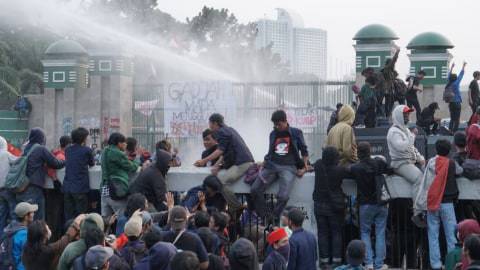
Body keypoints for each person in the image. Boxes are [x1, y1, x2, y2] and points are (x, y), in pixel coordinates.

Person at [251, 110, 309, 220]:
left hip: (289, 167)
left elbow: (304, 151)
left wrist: (304, 168)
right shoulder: (273, 134)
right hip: (272, 166)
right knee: (255, 189)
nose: (277, 127)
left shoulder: (296, 132)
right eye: (275, 125)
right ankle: (265, 215)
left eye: (279, 124)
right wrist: (264, 163)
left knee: (283, 196)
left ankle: (274, 216)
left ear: (286, 121)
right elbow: (270, 151)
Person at [414, 139, 463, 270]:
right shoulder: (451, 163)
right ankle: (452, 265)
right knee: (451, 235)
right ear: (449, 151)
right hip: (447, 203)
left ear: (436, 149)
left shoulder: (431, 162)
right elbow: (460, 171)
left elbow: (423, 170)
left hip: (432, 202)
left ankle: (435, 265)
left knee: (433, 235)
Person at [194, 113, 254, 210]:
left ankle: (237, 206)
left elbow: (220, 151)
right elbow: (225, 153)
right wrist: (217, 165)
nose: (209, 126)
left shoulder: (221, 132)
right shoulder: (229, 130)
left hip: (242, 163)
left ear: (215, 123)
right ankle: (234, 208)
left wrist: (203, 161)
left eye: (210, 123)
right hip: (244, 161)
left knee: (221, 182)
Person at [350, 142, 393, 270]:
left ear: (359, 153)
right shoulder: (379, 163)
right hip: (381, 203)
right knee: (380, 232)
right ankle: (379, 264)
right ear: (370, 151)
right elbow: (390, 169)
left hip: (365, 205)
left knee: (365, 232)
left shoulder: (356, 168)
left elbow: (347, 171)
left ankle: (368, 263)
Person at [387, 105, 426, 226]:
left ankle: (422, 208)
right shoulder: (393, 131)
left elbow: (411, 148)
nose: (407, 116)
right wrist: (412, 136)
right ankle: (417, 212)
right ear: (399, 116)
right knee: (418, 178)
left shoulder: (405, 130)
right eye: (405, 114)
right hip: (400, 164)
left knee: (424, 175)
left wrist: (421, 159)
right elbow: (402, 147)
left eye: (408, 114)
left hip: (408, 162)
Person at [313, 147, 350, 268]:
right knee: (336, 233)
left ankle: (324, 261)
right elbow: (351, 173)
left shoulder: (318, 165)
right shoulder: (339, 170)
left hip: (319, 204)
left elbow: (313, 164)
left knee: (322, 233)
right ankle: (336, 261)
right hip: (334, 206)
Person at [19, 128, 65, 221]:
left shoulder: (25, 148)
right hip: (34, 187)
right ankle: (35, 235)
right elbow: (55, 163)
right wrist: (66, 160)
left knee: (24, 218)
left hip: (22, 186)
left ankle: (25, 234)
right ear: (41, 138)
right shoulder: (40, 149)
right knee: (37, 218)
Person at [100, 132, 138, 219]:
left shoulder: (105, 151)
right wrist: (136, 161)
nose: (126, 144)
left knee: (106, 221)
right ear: (119, 143)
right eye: (124, 142)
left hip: (104, 190)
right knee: (122, 218)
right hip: (115, 190)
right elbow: (132, 167)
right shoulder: (117, 153)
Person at [64, 128, 95, 221]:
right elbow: (92, 163)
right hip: (80, 188)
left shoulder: (68, 150)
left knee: (69, 216)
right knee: (81, 217)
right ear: (84, 138)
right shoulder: (87, 150)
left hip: (67, 187)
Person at [3, 202, 37, 270]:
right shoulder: (24, 235)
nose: (34, 214)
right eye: (31, 212)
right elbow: (26, 258)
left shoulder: (11, 227)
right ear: (26, 216)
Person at [0, 136, 17, 237]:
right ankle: (12, 236)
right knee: (13, 213)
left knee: (1, 215)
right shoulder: (6, 154)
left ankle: (1, 239)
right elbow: (19, 161)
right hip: (7, 189)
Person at [379, 48, 400, 118]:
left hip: (391, 90)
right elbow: (393, 61)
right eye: (392, 64)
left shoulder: (391, 71)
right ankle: (386, 116)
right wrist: (397, 52)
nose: (393, 65)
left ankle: (387, 115)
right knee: (388, 104)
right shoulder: (387, 69)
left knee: (391, 103)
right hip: (387, 90)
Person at [447, 62, 466, 133]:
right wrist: (463, 66)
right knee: (457, 119)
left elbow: (449, 75)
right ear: (455, 78)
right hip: (457, 103)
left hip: (451, 103)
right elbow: (461, 75)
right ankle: (454, 131)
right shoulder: (456, 83)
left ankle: (450, 129)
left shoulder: (449, 83)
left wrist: (451, 67)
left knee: (452, 118)